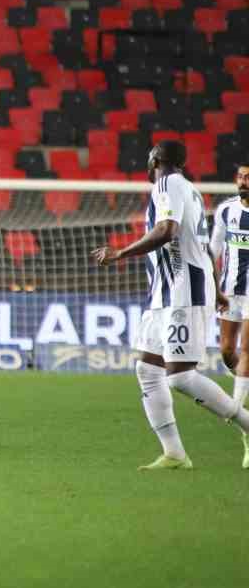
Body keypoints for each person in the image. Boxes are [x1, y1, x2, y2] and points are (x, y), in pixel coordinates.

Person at [93, 140, 249, 470]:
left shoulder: (167, 185)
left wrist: (120, 253)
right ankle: (174, 453)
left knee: (180, 377)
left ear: (155, 160)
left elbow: (167, 230)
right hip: (166, 294)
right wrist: (216, 289)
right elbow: (201, 244)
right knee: (148, 369)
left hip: (182, 290)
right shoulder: (190, 190)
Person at [211, 163, 249, 413]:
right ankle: (243, 380)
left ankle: (237, 411)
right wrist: (211, 285)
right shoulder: (226, 210)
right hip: (230, 289)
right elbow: (213, 250)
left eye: (248, 178)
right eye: (240, 177)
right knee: (226, 350)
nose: (243, 181)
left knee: (246, 350)